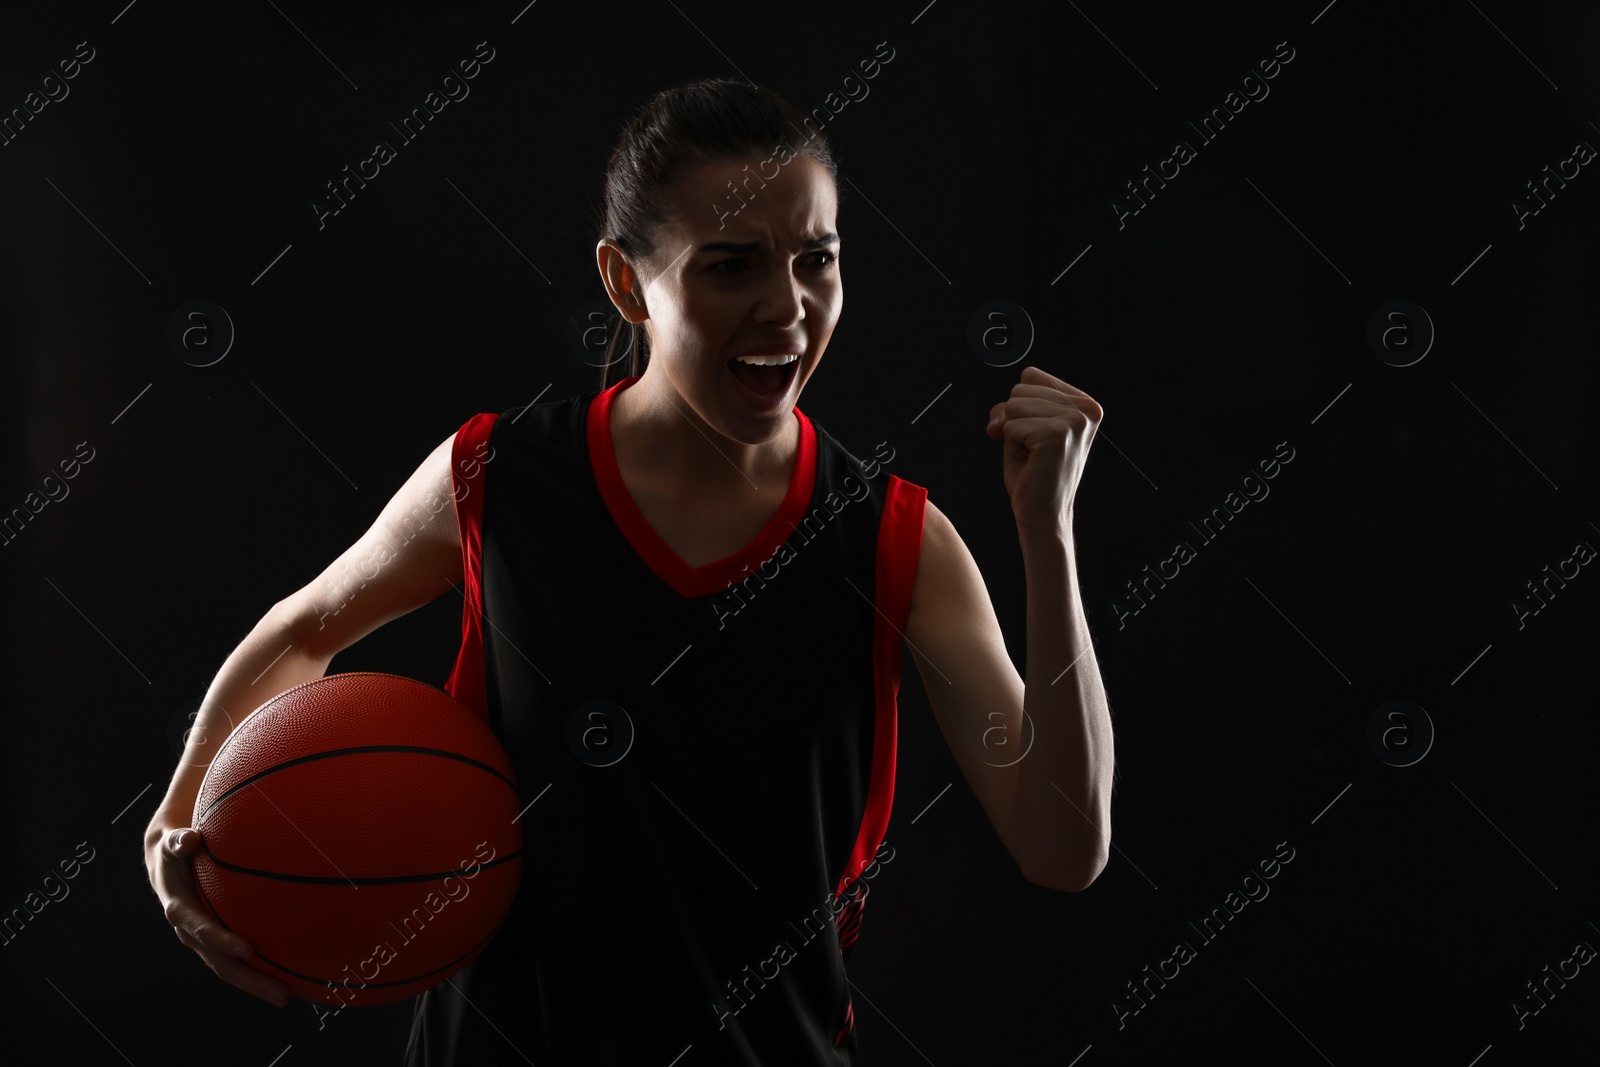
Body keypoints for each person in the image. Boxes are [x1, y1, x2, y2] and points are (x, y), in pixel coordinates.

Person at [143, 78, 1116, 1065]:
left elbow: (1062, 843)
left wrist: (1049, 532)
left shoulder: (894, 540)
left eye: (816, 260)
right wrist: (175, 822)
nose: (787, 306)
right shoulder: (497, 478)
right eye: (731, 266)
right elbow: (306, 628)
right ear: (623, 281)